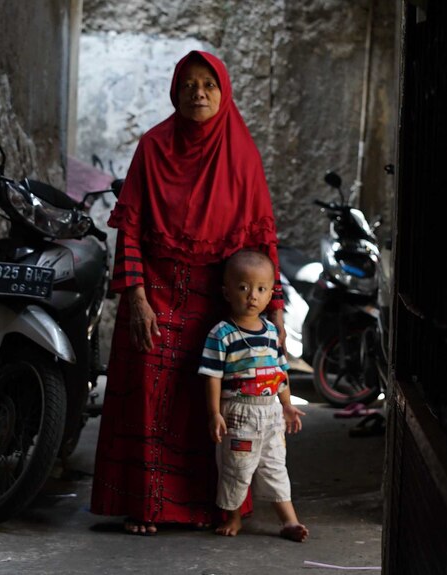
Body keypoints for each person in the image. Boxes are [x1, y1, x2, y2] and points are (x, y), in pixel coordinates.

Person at [90, 50, 285, 535]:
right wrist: (135, 298)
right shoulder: (154, 146)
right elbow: (129, 228)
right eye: (188, 84)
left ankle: (208, 506)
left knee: (211, 402)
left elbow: (262, 241)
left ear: (224, 92)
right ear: (175, 91)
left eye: (209, 85)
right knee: (148, 397)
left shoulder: (241, 153)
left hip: (218, 300)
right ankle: (145, 507)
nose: (198, 93)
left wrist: (273, 306)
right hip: (155, 293)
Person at [198, 249, 308, 541]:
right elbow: (212, 375)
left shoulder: (272, 332)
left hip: (270, 413)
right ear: (226, 291)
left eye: (261, 289)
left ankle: (289, 521)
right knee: (236, 468)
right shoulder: (222, 334)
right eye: (243, 288)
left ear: (271, 292)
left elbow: (280, 373)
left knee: (275, 466)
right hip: (238, 411)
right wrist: (214, 413)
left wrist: (287, 406)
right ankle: (233, 518)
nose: (252, 296)